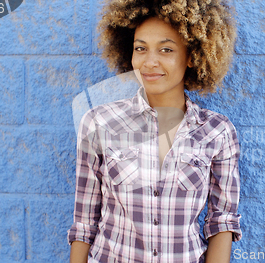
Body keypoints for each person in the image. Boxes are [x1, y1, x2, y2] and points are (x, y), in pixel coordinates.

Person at [67, 0, 241, 262]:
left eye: (166, 49)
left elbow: (222, 222)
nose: (149, 62)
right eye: (141, 48)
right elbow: (84, 222)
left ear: (192, 56)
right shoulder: (99, 123)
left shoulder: (217, 132)